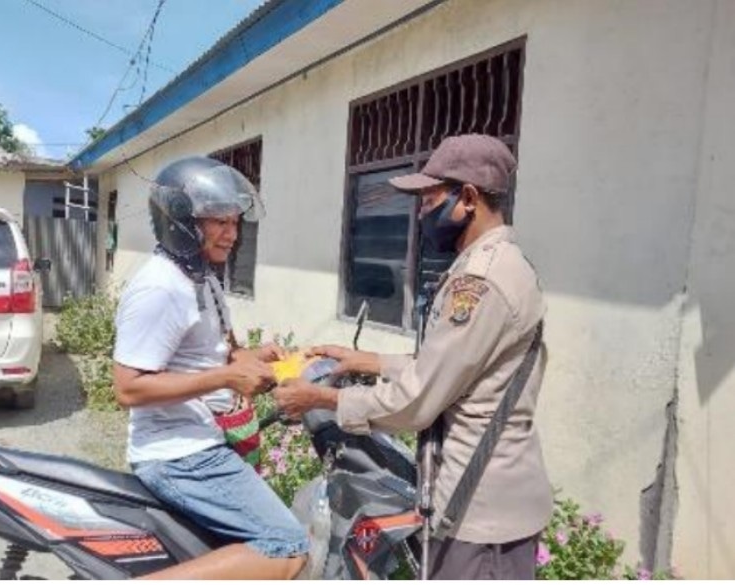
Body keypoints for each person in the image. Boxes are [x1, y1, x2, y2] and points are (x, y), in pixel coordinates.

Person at [274, 134, 553, 580]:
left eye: (428, 199)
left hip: (482, 512)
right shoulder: (488, 265)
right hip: (478, 500)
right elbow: (454, 370)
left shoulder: (482, 282)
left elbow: (418, 401)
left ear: (468, 198)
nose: (420, 212)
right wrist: (366, 361)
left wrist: (319, 400)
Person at [112, 156, 308, 580]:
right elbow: (128, 388)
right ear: (181, 221)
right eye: (218, 221)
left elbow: (221, 353)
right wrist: (223, 377)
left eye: (235, 222)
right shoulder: (160, 287)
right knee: (287, 546)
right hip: (178, 455)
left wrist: (265, 359)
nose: (231, 234)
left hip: (202, 440)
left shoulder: (203, 277)